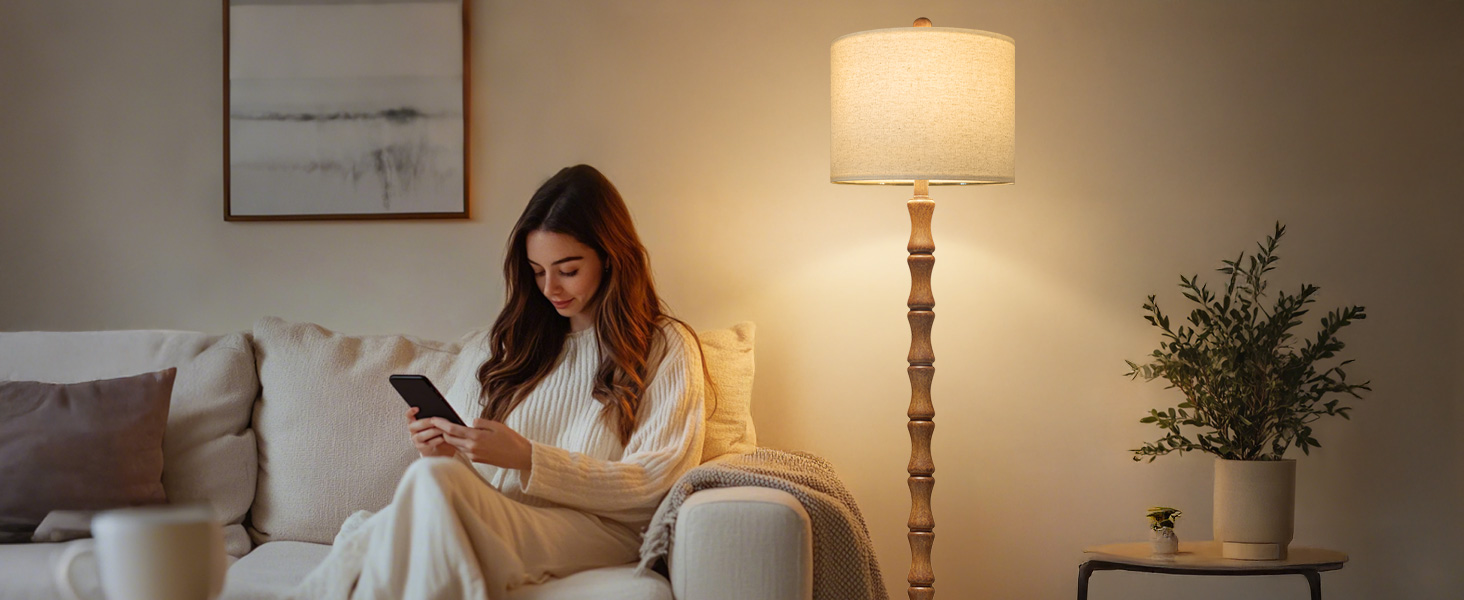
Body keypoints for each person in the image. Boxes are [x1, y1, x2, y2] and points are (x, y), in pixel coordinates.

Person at [294, 164, 712, 599]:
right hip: (501, 518)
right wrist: (440, 451)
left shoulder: (665, 346)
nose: (550, 288)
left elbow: (656, 481)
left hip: (602, 530)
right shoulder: (511, 342)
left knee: (412, 504)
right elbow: (461, 480)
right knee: (430, 478)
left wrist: (530, 458)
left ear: (611, 257)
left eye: (568, 269)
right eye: (537, 271)